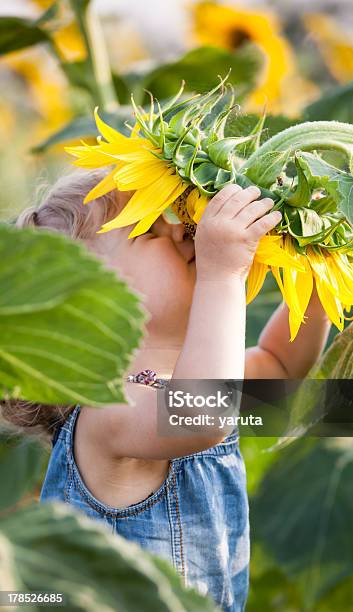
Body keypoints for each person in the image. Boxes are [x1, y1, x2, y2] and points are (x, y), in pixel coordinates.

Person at [1, 169, 330, 611]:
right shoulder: (109, 409)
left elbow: (281, 366)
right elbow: (206, 414)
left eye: (168, 215)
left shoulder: (187, 381)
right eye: (147, 229)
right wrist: (223, 274)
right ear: (89, 299)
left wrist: (313, 282)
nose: (181, 228)